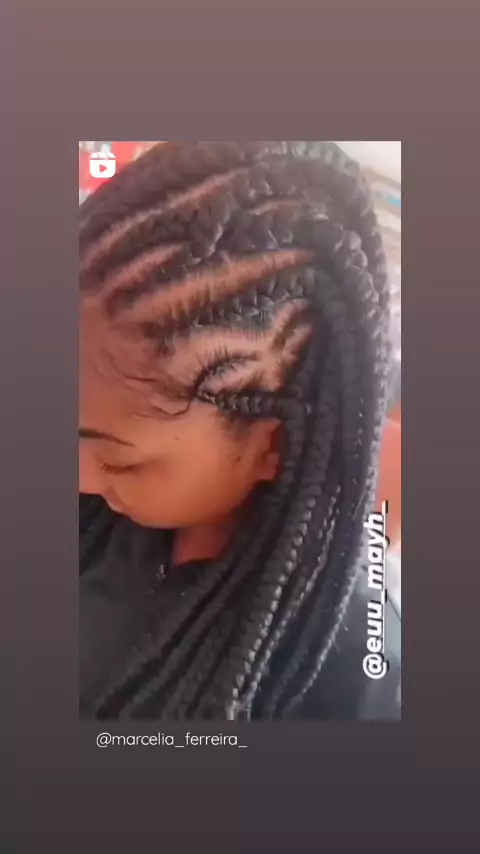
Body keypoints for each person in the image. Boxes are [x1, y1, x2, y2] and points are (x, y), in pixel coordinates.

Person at [79, 141, 401, 721]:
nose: (77, 476)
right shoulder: (105, 510)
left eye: (117, 460)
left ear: (273, 444)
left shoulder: (353, 666)